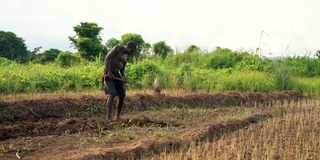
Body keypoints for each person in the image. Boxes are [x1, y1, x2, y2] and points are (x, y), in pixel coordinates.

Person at [102, 41, 138, 121]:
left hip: (117, 74)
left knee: (122, 95)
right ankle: (109, 117)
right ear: (128, 48)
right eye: (132, 51)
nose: (133, 53)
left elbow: (122, 68)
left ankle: (117, 116)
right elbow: (107, 58)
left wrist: (123, 76)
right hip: (108, 73)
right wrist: (110, 73)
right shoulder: (117, 48)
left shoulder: (127, 56)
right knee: (112, 94)